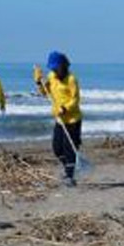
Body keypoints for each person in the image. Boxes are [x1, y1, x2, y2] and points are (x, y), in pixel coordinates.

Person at [35, 51, 82, 184]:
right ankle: (69, 167)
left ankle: (70, 176)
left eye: (57, 67)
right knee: (57, 149)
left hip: (72, 120)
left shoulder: (71, 79)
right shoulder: (51, 76)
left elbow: (75, 99)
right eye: (53, 68)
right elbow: (45, 93)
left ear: (64, 65)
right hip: (60, 120)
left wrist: (65, 108)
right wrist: (39, 82)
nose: (55, 70)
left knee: (69, 148)